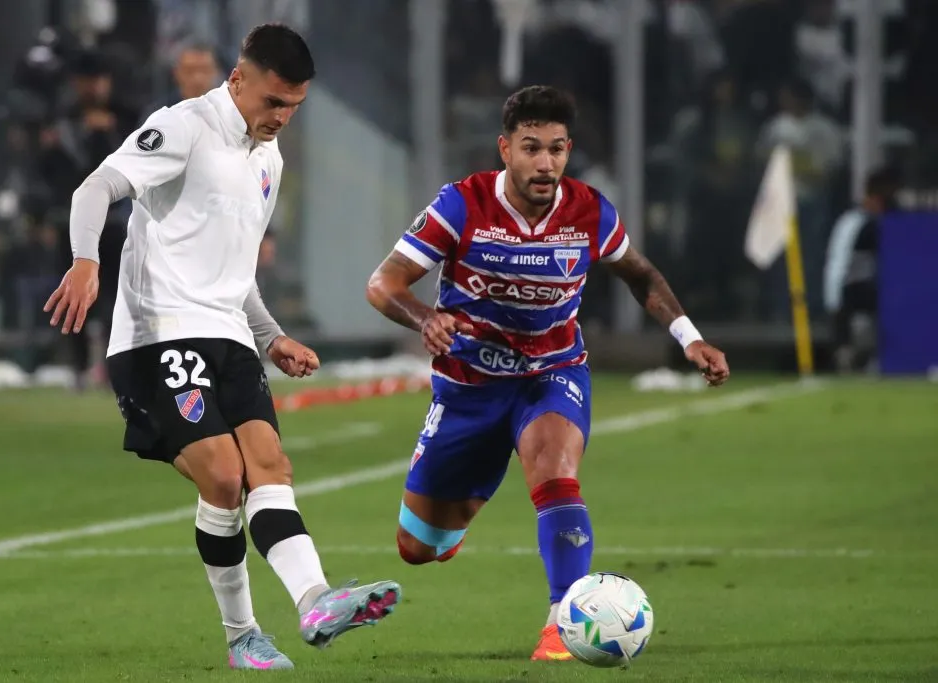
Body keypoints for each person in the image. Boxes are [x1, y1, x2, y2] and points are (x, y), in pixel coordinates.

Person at [44, 24, 400, 671]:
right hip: (159, 335)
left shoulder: (270, 159)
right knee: (225, 475)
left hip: (229, 334)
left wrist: (272, 336)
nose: (282, 118)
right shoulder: (184, 127)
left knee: (270, 465)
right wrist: (84, 259)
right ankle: (241, 632)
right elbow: (94, 187)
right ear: (238, 80)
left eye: (293, 107)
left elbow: (237, 272)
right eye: (273, 103)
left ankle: (316, 600)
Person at [366, 85, 728, 662]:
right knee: (417, 547)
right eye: (532, 149)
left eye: (557, 150)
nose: (546, 163)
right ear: (505, 148)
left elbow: (641, 274)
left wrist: (690, 337)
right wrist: (425, 318)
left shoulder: (588, 210)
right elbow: (383, 285)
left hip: (551, 372)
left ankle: (561, 622)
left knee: (555, 469)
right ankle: (452, 519)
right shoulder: (462, 204)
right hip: (469, 387)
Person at [823, 166, 899, 373]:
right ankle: (848, 356)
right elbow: (837, 263)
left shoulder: (892, 222)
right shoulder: (852, 223)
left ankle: (878, 356)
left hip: (882, 286)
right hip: (853, 287)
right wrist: (834, 299)